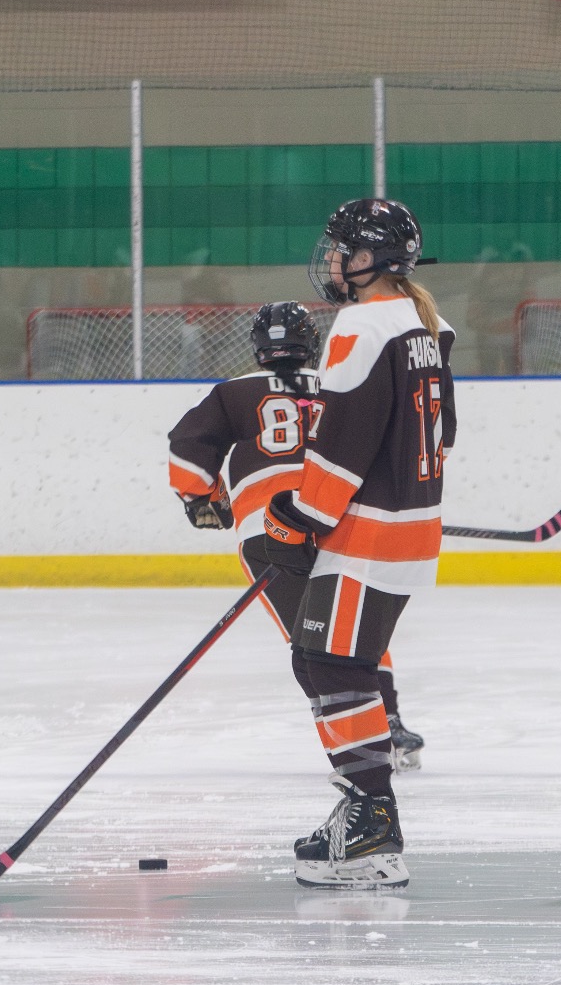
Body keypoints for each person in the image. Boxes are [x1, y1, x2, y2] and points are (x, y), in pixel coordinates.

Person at [259, 199, 454, 888]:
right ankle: (367, 810)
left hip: (367, 533)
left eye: (343, 250)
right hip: (409, 529)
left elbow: (341, 445)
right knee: (327, 660)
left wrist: (299, 516)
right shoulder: (425, 325)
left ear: (370, 258)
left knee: (329, 663)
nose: (334, 261)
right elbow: (440, 434)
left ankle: (371, 824)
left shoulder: (362, 325)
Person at [165, 300, 426, 770]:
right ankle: (388, 723)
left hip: (266, 531)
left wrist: (203, 498)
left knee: (315, 648)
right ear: (312, 342)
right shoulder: (338, 386)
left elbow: (187, 447)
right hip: (338, 524)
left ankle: (358, 748)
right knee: (352, 627)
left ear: (258, 347)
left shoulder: (233, 394)